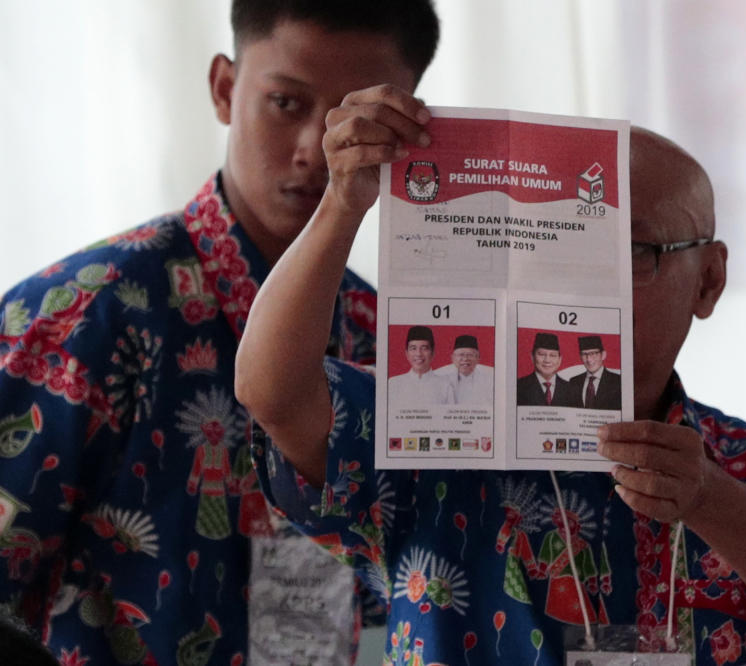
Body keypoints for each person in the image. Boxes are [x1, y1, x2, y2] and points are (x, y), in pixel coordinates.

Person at [236, 125, 746, 664]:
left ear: (708, 282)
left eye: (629, 250)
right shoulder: (443, 426)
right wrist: (343, 203)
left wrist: (709, 498)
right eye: (563, 247)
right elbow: (272, 391)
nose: (585, 285)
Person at [0, 1, 440, 663]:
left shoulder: (390, 336)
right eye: (287, 103)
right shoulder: (84, 313)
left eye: (357, 121)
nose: (316, 150)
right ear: (225, 89)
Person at [388, 325, 455, 406]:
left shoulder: (445, 385)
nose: (418, 354)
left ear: (433, 353)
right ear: (407, 354)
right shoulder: (393, 384)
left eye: (424, 348)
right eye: (413, 348)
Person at [516, 332, 580, 407]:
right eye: (542, 354)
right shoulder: (518, 386)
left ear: (560, 360)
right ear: (532, 357)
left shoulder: (572, 390)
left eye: (553, 355)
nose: (547, 360)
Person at [568, 335, 621, 410]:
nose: (589, 359)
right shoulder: (574, 382)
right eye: (584, 354)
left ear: (603, 355)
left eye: (593, 353)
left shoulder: (618, 381)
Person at [448, 334, 494, 404]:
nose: (465, 359)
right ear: (453, 358)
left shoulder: (491, 378)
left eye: (470, 355)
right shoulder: (442, 378)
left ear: (478, 358)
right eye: (461, 355)